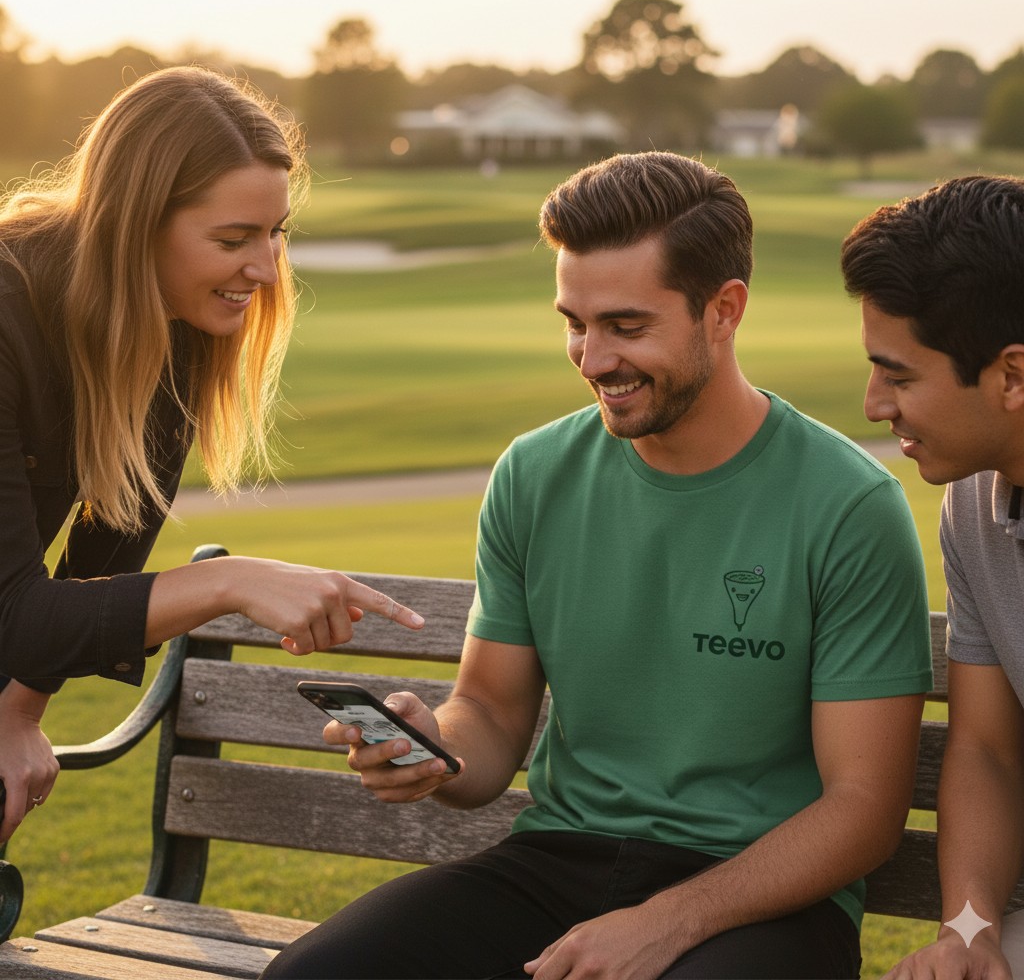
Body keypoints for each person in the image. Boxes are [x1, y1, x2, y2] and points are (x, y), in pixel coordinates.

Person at [263, 151, 933, 980]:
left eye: (625, 326)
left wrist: (661, 924)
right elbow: (492, 714)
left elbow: (864, 812)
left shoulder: (847, 505)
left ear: (723, 312)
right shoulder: (533, 475)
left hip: (763, 900)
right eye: (574, 322)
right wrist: (435, 746)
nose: (589, 358)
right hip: (559, 861)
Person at [0, 66, 425, 846]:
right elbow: (18, 618)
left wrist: (18, 715)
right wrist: (230, 580)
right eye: (233, 240)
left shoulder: (172, 332)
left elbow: (99, 563)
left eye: (276, 234)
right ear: (134, 226)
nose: (265, 272)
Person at [841, 174, 1024, 980]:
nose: (875, 405)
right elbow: (988, 749)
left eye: (900, 375)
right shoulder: (973, 504)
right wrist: (971, 929)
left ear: (1012, 376)